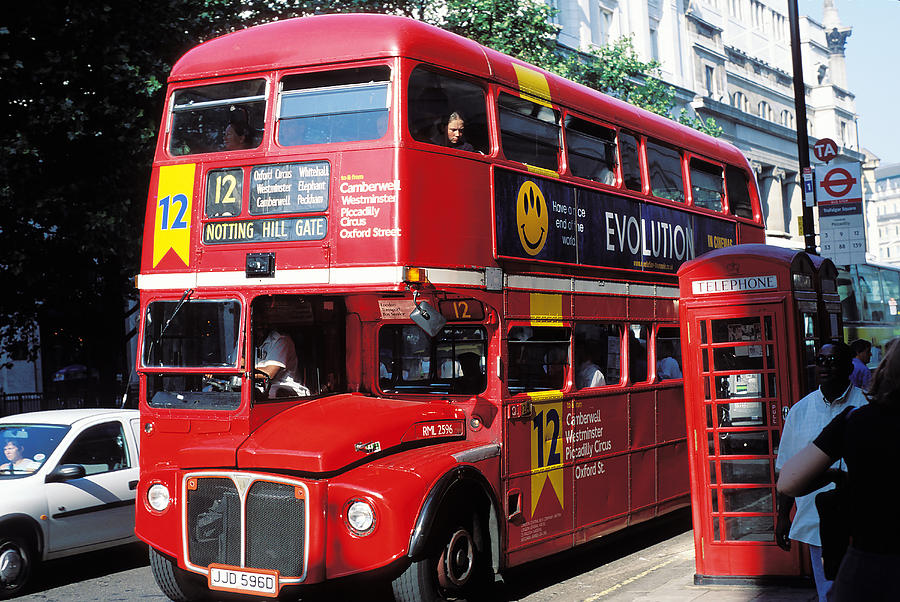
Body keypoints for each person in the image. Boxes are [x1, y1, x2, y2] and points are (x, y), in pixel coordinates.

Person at [777, 338, 900, 601]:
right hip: (821, 524)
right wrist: (782, 517)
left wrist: (833, 476)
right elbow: (784, 470)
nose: (825, 366)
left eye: (833, 361)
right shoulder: (800, 411)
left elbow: (789, 480)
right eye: (820, 360)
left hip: (865, 539)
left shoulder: (858, 414)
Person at [255, 329, 310, 398]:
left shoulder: (281, 339)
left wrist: (244, 371)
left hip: (284, 388)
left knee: (270, 393)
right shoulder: (243, 341)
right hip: (259, 386)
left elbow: (269, 373)